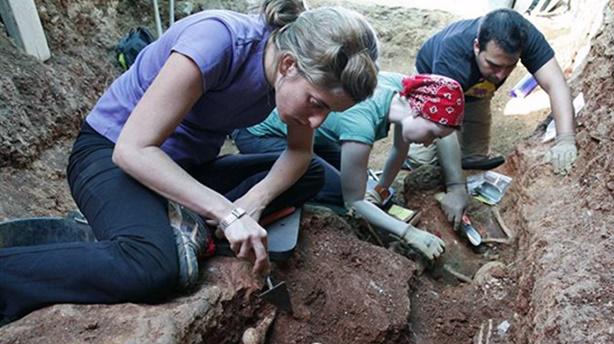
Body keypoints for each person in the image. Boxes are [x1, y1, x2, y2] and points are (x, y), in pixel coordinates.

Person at [0, 0, 379, 324]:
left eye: (329, 112)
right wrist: (227, 214)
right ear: (288, 65)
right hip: (111, 155)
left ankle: (169, 219)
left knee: (311, 173)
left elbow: (299, 153)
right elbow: (132, 149)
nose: (317, 121)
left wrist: (251, 203)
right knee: (151, 267)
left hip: (182, 169)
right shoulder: (218, 40)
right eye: (316, 104)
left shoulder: (292, 76)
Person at [234, 73, 465, 260]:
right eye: (432, 134)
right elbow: (354, 200)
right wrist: (409, 233)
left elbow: (399, 150)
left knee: (357, 177)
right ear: (418, 110)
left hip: (309, 135)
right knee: (336, 191)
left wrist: (381, 190)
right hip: (260, 133)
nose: (427, 143)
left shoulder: (405, 92)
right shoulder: (361, 124)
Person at [412, 8, 577, 228]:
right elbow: (443, 123)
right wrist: (455, 187)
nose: (502, 75)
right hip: (436, 85)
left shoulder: (523, 35)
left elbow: (555, 83)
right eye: (494, 65)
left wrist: (566, 138)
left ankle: (463, 161)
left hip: (478, 90)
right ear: (477, 45)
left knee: (473, 159)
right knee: (421, 161)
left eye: (510, 66)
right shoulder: (451, 55)